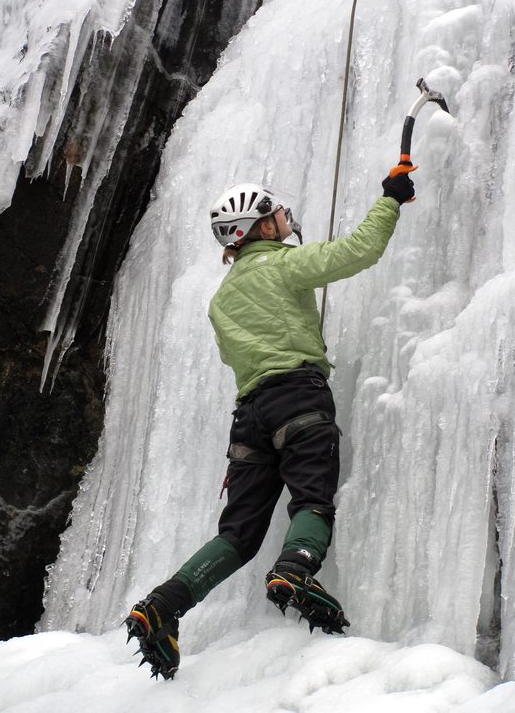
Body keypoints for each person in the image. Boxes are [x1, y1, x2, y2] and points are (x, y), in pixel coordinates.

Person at [125, 166, 417, 679]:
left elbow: (232, 355)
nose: (285, 217)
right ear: (260, 228)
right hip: (298, 397)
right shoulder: (284, 265)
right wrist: (390, 198)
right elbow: (358, 251)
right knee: (312, 497)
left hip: (249, 417)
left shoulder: (220, 301)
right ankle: (295, 569)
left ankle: (162, 604)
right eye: (277, 212)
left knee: (238, 534)